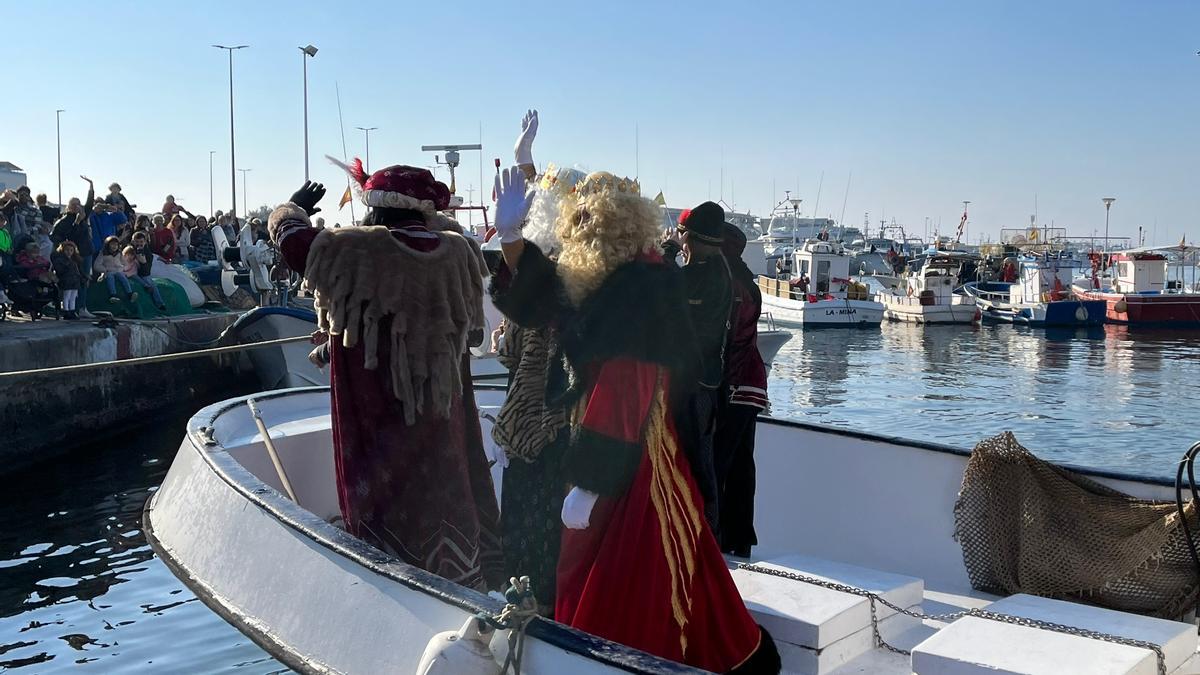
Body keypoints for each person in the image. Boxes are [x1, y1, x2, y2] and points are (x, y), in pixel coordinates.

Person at [491, 167, 778, 673]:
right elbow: (548, 301)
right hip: (618, 443)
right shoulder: (614, 272)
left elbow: (628, 384)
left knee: (617, 561)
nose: (571, 234)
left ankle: (616, 656)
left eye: (579, 223)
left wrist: (591, 483)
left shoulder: (640, 286)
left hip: (630, 454)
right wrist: (512, 240)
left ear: (602, 226)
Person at [268, 164, 502, 591]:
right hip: (439, 408)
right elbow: (459, 329)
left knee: (384, 502)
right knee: (447, 487)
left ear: (374, 208)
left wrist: (291, 208)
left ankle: (390, 582)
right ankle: (462, 578)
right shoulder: (459, 252)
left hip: (379, 415)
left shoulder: (353, 250)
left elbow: (293, 240)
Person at [661, 201, 733, 532]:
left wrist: (667, 253)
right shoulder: (716, 270)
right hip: (700, 382)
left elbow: (666, 289)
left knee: (695, 461)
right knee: (696, 459)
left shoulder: (706, 274)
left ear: (692, 238)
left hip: (695, 385)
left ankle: (704, 535)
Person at [714, 223, 768, 558]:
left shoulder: (732, 286)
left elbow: (730, 342)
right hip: (752, 385)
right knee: (741, 465)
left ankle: (721, 537)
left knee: (720, 462)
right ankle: (741, 539)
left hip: (736, 386)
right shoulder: (748, 282)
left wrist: (722, 386)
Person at [128, 232, 166, 310]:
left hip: (142, 274)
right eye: (137, 242)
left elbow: (147, 271)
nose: (139, 244)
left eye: (141, 242)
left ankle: (160, 303)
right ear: (133, 241)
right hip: (130, 272)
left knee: (151, 284)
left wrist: (143, 263)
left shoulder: (148, 253)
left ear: (145, 242)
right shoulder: (129, 250)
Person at [94, 236, 137, 303]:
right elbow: (96, 265)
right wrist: (105, 270)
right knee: (110, 277)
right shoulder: (103, 253)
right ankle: (113, 295)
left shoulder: (119, 253)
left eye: (116, 244)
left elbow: (124, 263)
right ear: (108, 245)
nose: (114, 246)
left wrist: (122, 268)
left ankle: (130, 293)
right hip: (108, 271)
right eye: (112, 244)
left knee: (122, 277)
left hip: (118, 270)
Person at [51, 240, 84, 319]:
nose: (69, 252)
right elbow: (59, 270)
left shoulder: (75, 260)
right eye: (67, 250)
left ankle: (72, 311)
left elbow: (78, 271)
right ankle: (66, 311)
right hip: (66, 280)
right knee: (66, 296)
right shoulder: (60, 260)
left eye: (71, 250)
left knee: (73, 297)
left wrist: (82, 277)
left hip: (74, 280)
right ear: (62, 250)